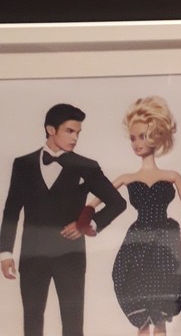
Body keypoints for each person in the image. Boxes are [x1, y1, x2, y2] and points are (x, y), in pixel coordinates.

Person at [0, 103, 127, 336]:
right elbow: (11, 211)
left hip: (71, 258)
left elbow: (117, 203)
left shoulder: (86, 166)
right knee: (31, 325)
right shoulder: (23, 164)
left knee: (73, 326)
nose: (75, 138)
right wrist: (5, 252)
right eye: (69, 131)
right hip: (32, 256)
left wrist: (85, 226)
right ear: (51, 129)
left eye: (78, 132)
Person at [89, 96, 181, 334]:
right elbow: (98, 198)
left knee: (160, 316)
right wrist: (86, 215)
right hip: (138, 241)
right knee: (138, 306)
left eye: (142, 136)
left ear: (156, 135)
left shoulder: (171, 176)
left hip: (165, 242)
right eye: (133, 138)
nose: (137, 143)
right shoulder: (127, 178)